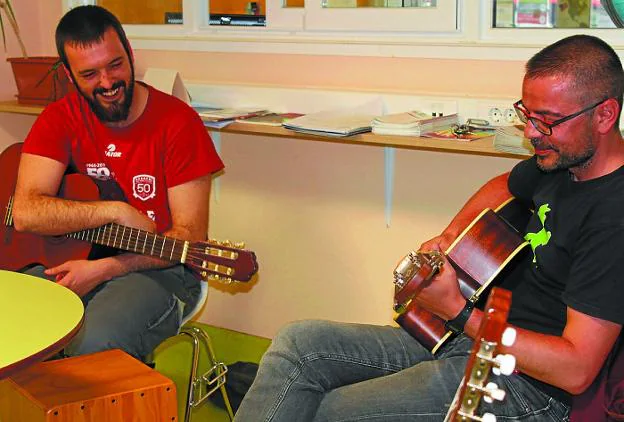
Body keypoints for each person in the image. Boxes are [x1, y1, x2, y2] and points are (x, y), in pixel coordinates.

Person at [234, 34, 624, 421]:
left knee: (333, 411)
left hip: (526, 387)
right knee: (298, 346)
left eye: (548, 121)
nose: (531, 133)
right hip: (466, 339)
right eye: (527, 114)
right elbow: (504, 184)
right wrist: (450, 239)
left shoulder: (613, 217)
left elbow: (576, 370)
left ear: (604, 115)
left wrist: (457, 312)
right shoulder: (559, 164)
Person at [11, 5, 223, 360]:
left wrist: (105, 269)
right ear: (68, 74)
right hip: (71, 258)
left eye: (115, 65)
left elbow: (189, 237)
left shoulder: (178, 122)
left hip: (162, 269)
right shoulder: (58, 118)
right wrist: (117, 211)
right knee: (16, 326)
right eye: (90, 74)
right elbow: (26, 212)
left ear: (130, 52)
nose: (108, 83)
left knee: (92, 344)